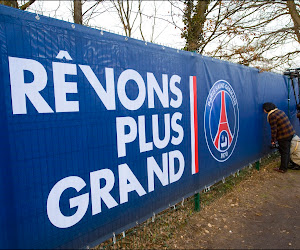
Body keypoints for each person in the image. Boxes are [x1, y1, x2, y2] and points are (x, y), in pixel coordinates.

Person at [263, 102, 295, 173]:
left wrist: (273, 140)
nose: (263, 111)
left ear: (266, 109)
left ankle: (283, 168)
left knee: (284, 152)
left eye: (264, 109)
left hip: (284, 136)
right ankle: (287, 165)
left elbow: (274, 129)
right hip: (290, 133)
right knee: (286, 151)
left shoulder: (272, 116)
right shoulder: (280, 111)